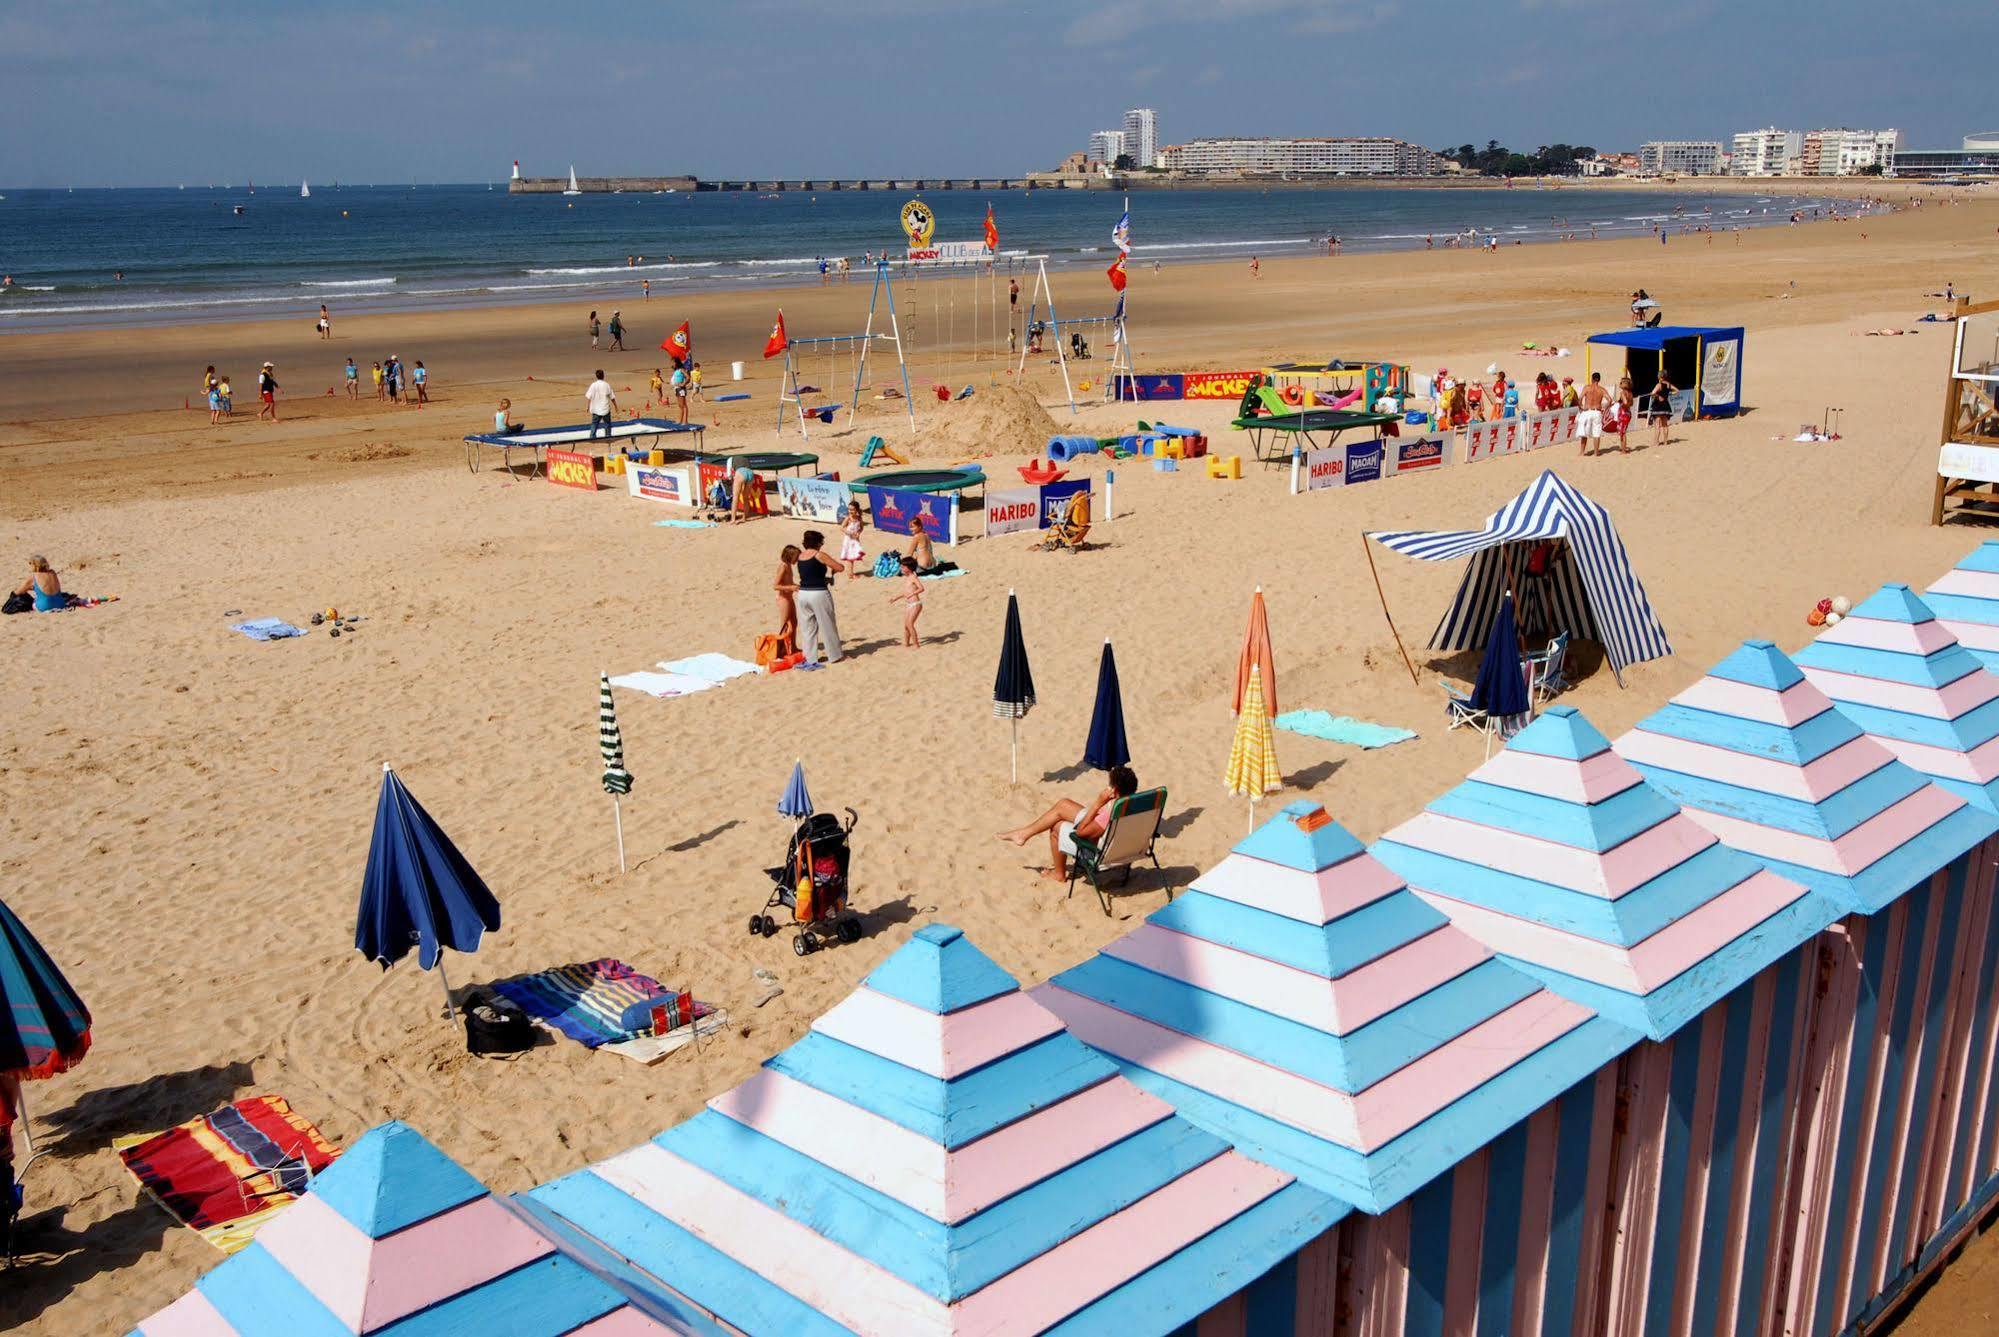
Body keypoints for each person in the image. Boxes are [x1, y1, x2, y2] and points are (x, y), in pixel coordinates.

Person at [996, 764, 1139, 883]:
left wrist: (1098, 804)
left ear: (1114, 790)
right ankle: (1023, 834)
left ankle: (1059, 874)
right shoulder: (1138, 805)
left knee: (1056, 827)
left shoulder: (1110, 814)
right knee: (1063, 805)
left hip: (1099, 850)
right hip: (1125, 846)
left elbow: (1080, 833)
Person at [794, 530, 846, 664]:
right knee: (827, 624)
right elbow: (840, 567)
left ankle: (810, 657)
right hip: (818, 593)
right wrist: (833, 570)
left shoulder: (800, 556)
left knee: (808, 628)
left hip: (803, 593)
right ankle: (835, 655)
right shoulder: (819, 555)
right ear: (817, 543)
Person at [889, 556, 924, 648]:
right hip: (909, 604)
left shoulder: (913, 577)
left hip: (916, 604)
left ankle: (916, 645)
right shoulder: (907, 578)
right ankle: (907, 644)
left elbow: (921, 588)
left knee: (909, 624)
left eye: (903, 567)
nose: (902, 568)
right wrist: (895, 598)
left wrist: (912, 593)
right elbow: (905, 592)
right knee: (906, 625)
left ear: (909, 568)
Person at [774, 544, 801, 647]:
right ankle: (780, 648)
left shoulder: (788, 565)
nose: (798, 559)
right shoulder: (783, 566)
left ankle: (792, 647)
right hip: (783, 598)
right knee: (784, 625)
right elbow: (775, 586)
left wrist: (795, 586)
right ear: (790, 555)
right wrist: (791, 588)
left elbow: (787, 582)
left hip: (789, 597)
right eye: (796, 557)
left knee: (794, 622)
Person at [1576, 372, 1609, 457]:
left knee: (1584, 433)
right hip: (1596, 411)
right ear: (1599, 379)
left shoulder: (1587, 388)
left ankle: (1582, 452)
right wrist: (1605, 409)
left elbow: (1580, 398)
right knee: (1596, 433)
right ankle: (1596, 453)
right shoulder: (1601, 389)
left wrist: (1580, 407)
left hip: (1587, 411)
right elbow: (1610, 400)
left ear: (1592, 379)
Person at [1647, 369, 1677, 448]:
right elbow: (1677, 390)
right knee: (1665, 425)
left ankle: (1656, 442)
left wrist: (1658, 396)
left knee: (1657, 425)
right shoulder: (1668, 384)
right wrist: (1669, 394)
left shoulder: (1658, 385)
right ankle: (1665, 442)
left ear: (1660, 376)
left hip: (1658, 406)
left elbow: (1652, 394)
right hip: (1666, 405)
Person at [838, 500, 866, 578]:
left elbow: (861, 528)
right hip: (848, 540)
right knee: (850, 557)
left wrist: (858, 534)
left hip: (855, 540)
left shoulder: (859, 518)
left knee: (852, 557)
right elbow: (842, 527)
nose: (850, 511)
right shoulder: (848, 518)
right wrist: (849, 533)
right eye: (849, 509)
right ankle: (850, 574)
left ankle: (850, 573)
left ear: (856, 510)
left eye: (852, 509)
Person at [586, 368, 616, 440]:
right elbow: (612, 397)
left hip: (596, 409)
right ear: (603, 376)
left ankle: (592, 438)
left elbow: (589, 397)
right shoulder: (606, 385)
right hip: (605, 408)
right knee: (607, 425)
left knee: (594, 424)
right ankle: (608, 437)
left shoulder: (593, 385)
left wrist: (588, 406)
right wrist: (616, 406)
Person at [1613, 375, 1637, 453]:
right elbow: (1631, 403)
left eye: (1621, 382)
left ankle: (1623, 450)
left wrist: (1622, 405)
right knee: (1623, 432)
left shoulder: (1622, 393)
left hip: (1623, 413)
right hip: (1628, 413)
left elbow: (1625, 402)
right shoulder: (1630, 393)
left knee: (1622, 433)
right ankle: (1623, 448)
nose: (1620, 383)